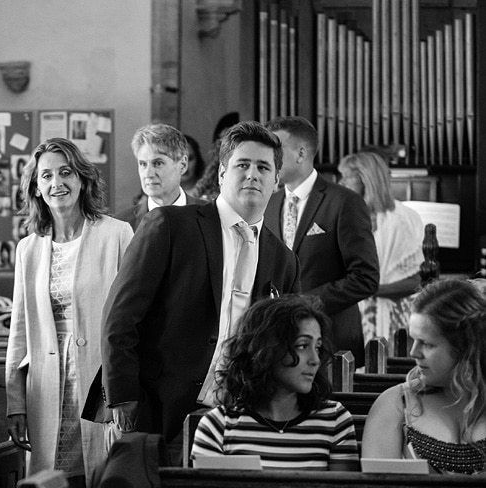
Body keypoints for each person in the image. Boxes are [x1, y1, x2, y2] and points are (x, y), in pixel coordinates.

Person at [102, 121, 300, 453]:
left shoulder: (284, 260)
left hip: (238, 418)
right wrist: (123, 396)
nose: (252, 174)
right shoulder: (170, 225)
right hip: (157, 408)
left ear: (277, 181)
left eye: (263, 167)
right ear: (222, 174)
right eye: (242, 165)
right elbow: (120, 316)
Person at [5, 138, 134, 488]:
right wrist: (15, 401)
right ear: (36, 187)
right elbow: (20, 330)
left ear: (82, 179)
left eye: (65, 172)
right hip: (48, 383)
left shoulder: (116, 233)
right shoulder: (29, 248)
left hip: (98, 378)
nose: (56, 182)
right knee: (51, 487)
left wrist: (127, 390)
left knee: (101, 482)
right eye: (46, 175)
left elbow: (133, 317)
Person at [191, 296, 358, 470]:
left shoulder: (334, 420)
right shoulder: (219, 426)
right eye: (302, 346)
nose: (315, 360)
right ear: (267, 349)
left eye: (317, 347)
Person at [265, 116, 379, 366]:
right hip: (279, 342)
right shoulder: (269, 203)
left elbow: (366, 277)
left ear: (301, 153)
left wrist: (307, 302)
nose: (268, 157)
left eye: (276, 149)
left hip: (332, 341)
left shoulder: (344, 202)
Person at [364, 279, 486, 474]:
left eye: (427, 344)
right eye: (414, 340)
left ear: (465, 348)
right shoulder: (395, 405)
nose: (414, 352)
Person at [337, 150, 425, 343]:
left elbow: (413, 282)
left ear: (367, 179)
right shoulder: (344, 215)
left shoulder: (403, 220)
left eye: (347, 177)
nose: (340, 183)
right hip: (351, 316)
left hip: (394, 316)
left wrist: (364, 288)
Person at [114, 123, 208, 230]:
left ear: (182, 165)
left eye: (158, 163)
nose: (148, 174)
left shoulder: (211, 215)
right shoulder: (122, 224)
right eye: (143, 164)